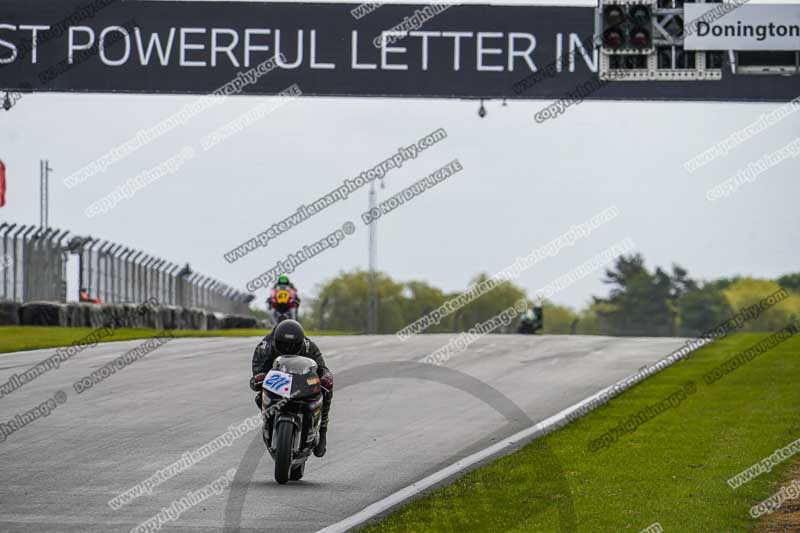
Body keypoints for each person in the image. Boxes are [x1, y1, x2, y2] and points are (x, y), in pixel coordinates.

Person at [249, 319, 333, 457]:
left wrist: (326, 377)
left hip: (301, 382)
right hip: (277, 383)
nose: (288, 348)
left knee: (327, 387)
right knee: (260, 397)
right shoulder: (264, 347)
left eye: (293, 346)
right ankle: (269, 424)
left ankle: (322, 430)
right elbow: (258, 373)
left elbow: (322, 368)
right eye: (284, 345)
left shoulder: (308, 346)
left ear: (300, 343)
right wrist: (258, 378)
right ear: (276, 341)